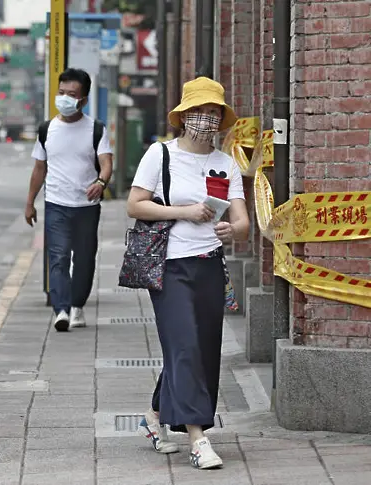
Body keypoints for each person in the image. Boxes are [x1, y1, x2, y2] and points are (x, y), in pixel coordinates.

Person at [127, 77, 250, 469]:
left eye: (214, 112)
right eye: (199, 112)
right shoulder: (160, 155)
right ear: (184, 117)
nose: (207, 119)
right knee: (184, 346)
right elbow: (135, 205)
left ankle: (155, 417)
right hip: (169, 265)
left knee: (201, 347)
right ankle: (199, 439)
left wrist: (234, 229)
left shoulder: (225, 162)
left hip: (210, 265)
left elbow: (243, 220)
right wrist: (184, 212)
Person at [25, 68, 113, 332]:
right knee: (58, 257)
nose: (64, 98)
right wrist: (30, 202)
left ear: (83, 100)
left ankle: (77, 306)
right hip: (56, 204)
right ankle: (61, 310)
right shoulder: (47, 130)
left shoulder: (96, 129)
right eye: (61, 93)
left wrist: (100, 183)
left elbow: (106, 164)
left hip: (86, 207)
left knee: (85, 259)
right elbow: (39, 168)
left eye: (71, 94)